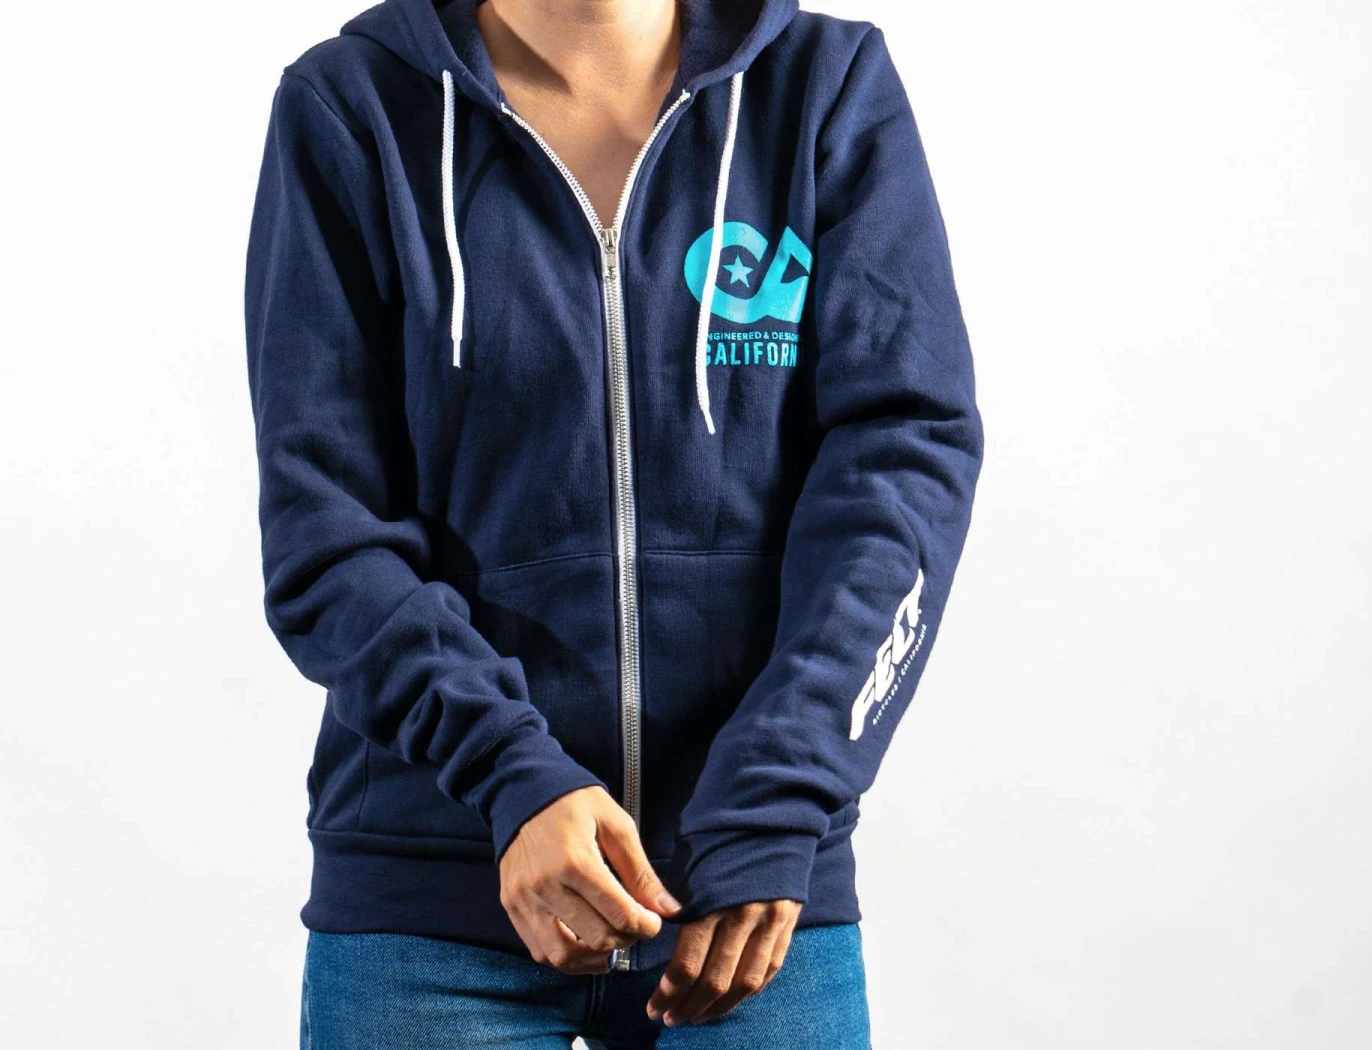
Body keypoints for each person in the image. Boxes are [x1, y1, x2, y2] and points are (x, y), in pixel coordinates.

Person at [244, 0, 982, 1045]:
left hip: (749, 899)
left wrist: (778, 796)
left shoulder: (821, 88)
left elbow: (902, 467)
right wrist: (513, 775)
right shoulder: (352, 105)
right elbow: (324, 530)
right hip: (435, 903)